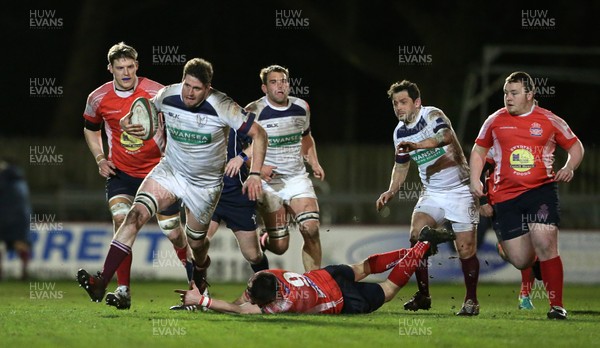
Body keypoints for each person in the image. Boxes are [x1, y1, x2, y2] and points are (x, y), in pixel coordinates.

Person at [77, 57, 267, 306]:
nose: (189, 92)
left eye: (196, 88)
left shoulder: (222, 105)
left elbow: (260, 134)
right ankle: (102, 281)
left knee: (197, 243)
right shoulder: (168, 95)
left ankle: (199, 278)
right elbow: (144, 108)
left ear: (208, 88)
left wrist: (254, 173)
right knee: (134, 215)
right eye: (186, 85)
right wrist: (127, 121)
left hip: (205, 185)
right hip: (170, 171)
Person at [82, 42, 192, 309]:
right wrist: (100, 158)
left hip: (159, 175)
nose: (126, 72)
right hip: (122, 174)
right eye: (120, 68)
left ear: (137, 66)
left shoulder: (156, 91)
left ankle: (197, 287)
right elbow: (90, 128)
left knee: (174, 233)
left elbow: (181, 119)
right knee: (122, 220)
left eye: (131, 66)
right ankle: (123, 291)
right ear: (110, 68)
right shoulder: (97, 98)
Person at [469, 71, 584, 320]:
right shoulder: (494, 120)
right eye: (505, 93)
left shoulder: (549, 120)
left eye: (514, 93)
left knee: (546, 242)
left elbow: (575, 146)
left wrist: (569, 167)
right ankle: (514, 252)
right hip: (505, 197)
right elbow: (479, 151)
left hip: (540, 190)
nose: (508, 98)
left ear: (530, 94)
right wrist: (475, 179)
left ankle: (557, 306)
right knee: (521, 260)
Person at [174, 226, 456, 314]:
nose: (246, 293)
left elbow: (239, 309)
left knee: (389, 290)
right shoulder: (271, 275)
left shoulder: (282, 305)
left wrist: (203, 301)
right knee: (366, 266)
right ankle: (418, 249)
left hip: (343, 299)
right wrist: (205, 302)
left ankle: (423, 245)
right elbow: (243, 301)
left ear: (267, 301)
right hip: (327, 275)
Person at [375, 80, 480, 316]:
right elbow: (401, 167)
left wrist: (417, 145)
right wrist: (391, 191)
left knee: (465, 249)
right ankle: (424, 295)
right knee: (417, 235)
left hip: (461, 189)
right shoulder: (399, 133)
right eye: (395, 104)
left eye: (403, 102)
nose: (399, 107)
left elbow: (446, 138)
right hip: (432, 192)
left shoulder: (432, 115)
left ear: (417, 102)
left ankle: (471, 300)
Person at [169, 129, 269, 311]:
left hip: (236, 197)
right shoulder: (189, 120)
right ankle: (197, 297)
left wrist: (241, 157)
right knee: (195, 246)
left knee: (253, 255)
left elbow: (259, 140)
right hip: (204, 195)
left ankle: (271, 291)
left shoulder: (234, 118)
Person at [245, 64, 325, 272]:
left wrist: (314, 162)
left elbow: (306, 137)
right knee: (280, 246)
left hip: (296, 178)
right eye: (274, 82)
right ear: (265, 88)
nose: (280, 86)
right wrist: (259, 170)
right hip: (268, 183)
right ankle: (265, 240)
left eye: (283, 81)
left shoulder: (302, 107)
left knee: (311, 229)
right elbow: (240, 150)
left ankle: (315, 286)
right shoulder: (254, 111)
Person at [478, 148, 539, 310]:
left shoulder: (532, 143)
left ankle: (525, 295)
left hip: (529, 199)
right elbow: (480, 169)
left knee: (535, 245)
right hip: (502, 201)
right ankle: (505, 250)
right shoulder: (496, 142)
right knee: (520, 253)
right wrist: (482, 200)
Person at [0, 159, 32, 281]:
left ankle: (0, 272)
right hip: (22, 216)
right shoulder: (21, 181)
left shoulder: (4, 180)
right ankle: (24, 271)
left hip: (4, 215)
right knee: (20, 243)